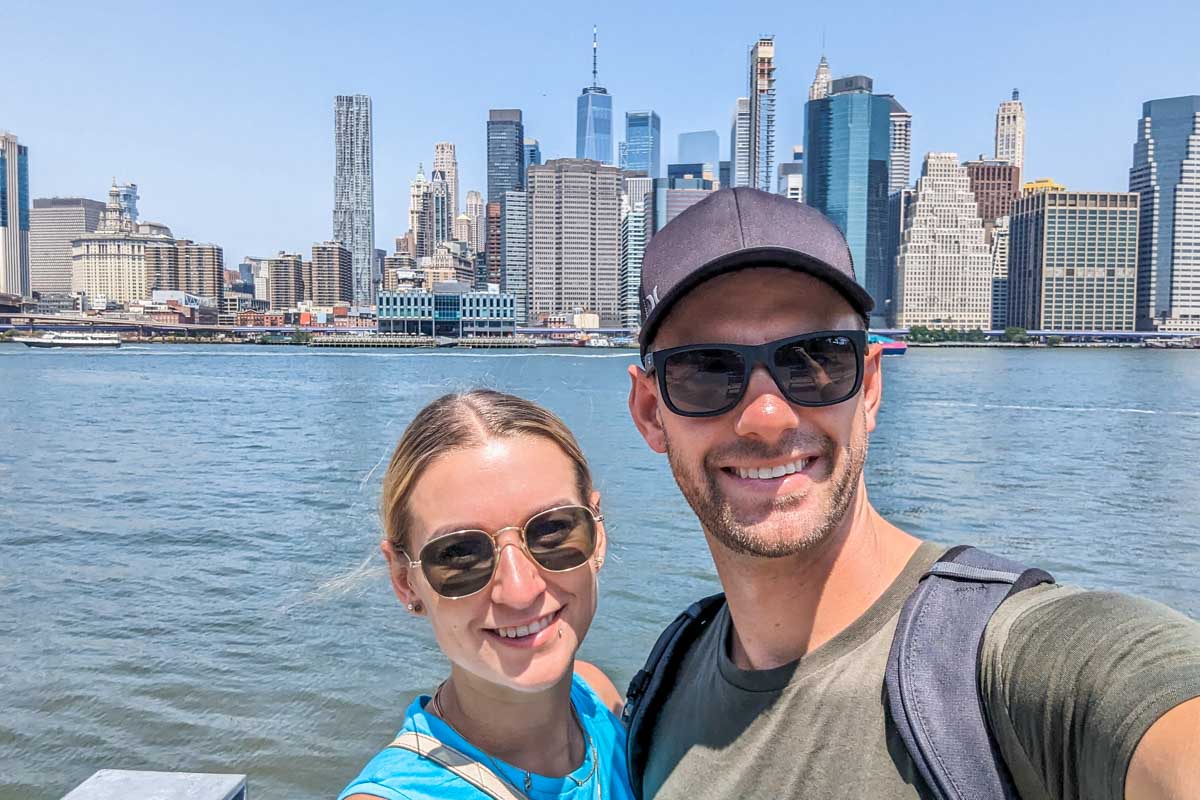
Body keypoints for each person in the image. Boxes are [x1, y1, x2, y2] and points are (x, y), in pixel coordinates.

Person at [624, 188, 1200, 800]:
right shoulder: (664, 685)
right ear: (650, 412)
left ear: (869, 388)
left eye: (815, 360)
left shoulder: (1010, 663)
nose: (767, 415)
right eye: (707, 370)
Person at [340, 389, 633, 800]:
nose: (519, 590)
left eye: (552, 531)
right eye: (460, 554)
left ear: (597, 535)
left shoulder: (596, 695)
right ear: (405, 580)